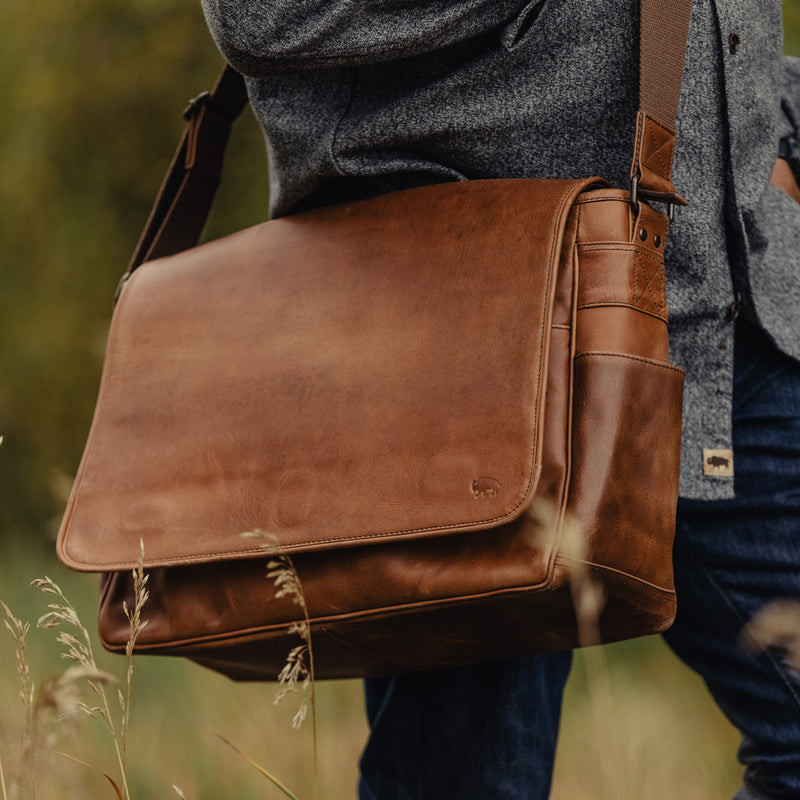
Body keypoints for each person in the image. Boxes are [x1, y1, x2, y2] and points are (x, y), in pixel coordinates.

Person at [200, 1, 800, 797]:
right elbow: (263, 18)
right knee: (468, 782)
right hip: (467, 354)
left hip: (737, 316)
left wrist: (781, 128)